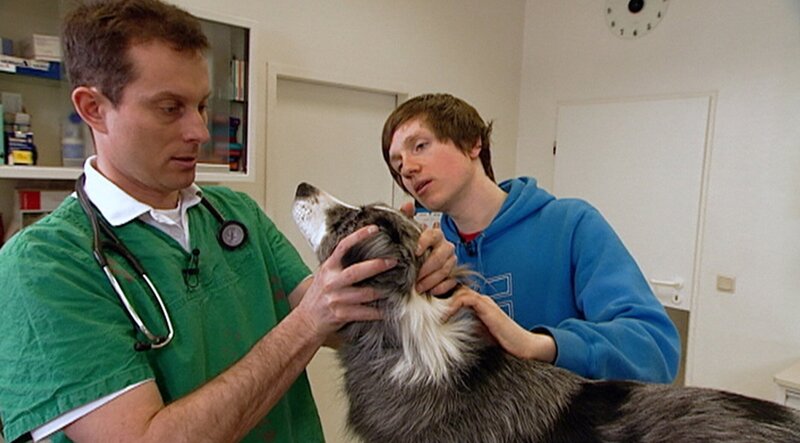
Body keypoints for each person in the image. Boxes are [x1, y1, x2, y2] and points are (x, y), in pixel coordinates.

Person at [0, 2, 455, 442]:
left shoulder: (235, 215)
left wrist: (409, 280)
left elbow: (342, 321)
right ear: (93, 108)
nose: (198, 130)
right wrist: (306, 324)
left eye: (201, 105)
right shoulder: (44, 265)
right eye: (169, 108)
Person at [382, 93, 680, 383]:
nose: (407, 169)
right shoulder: (428, 256)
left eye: (420, 146)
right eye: (397, 165)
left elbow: (655, 349)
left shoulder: (570, 225)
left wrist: (539, 345)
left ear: (474, 143)